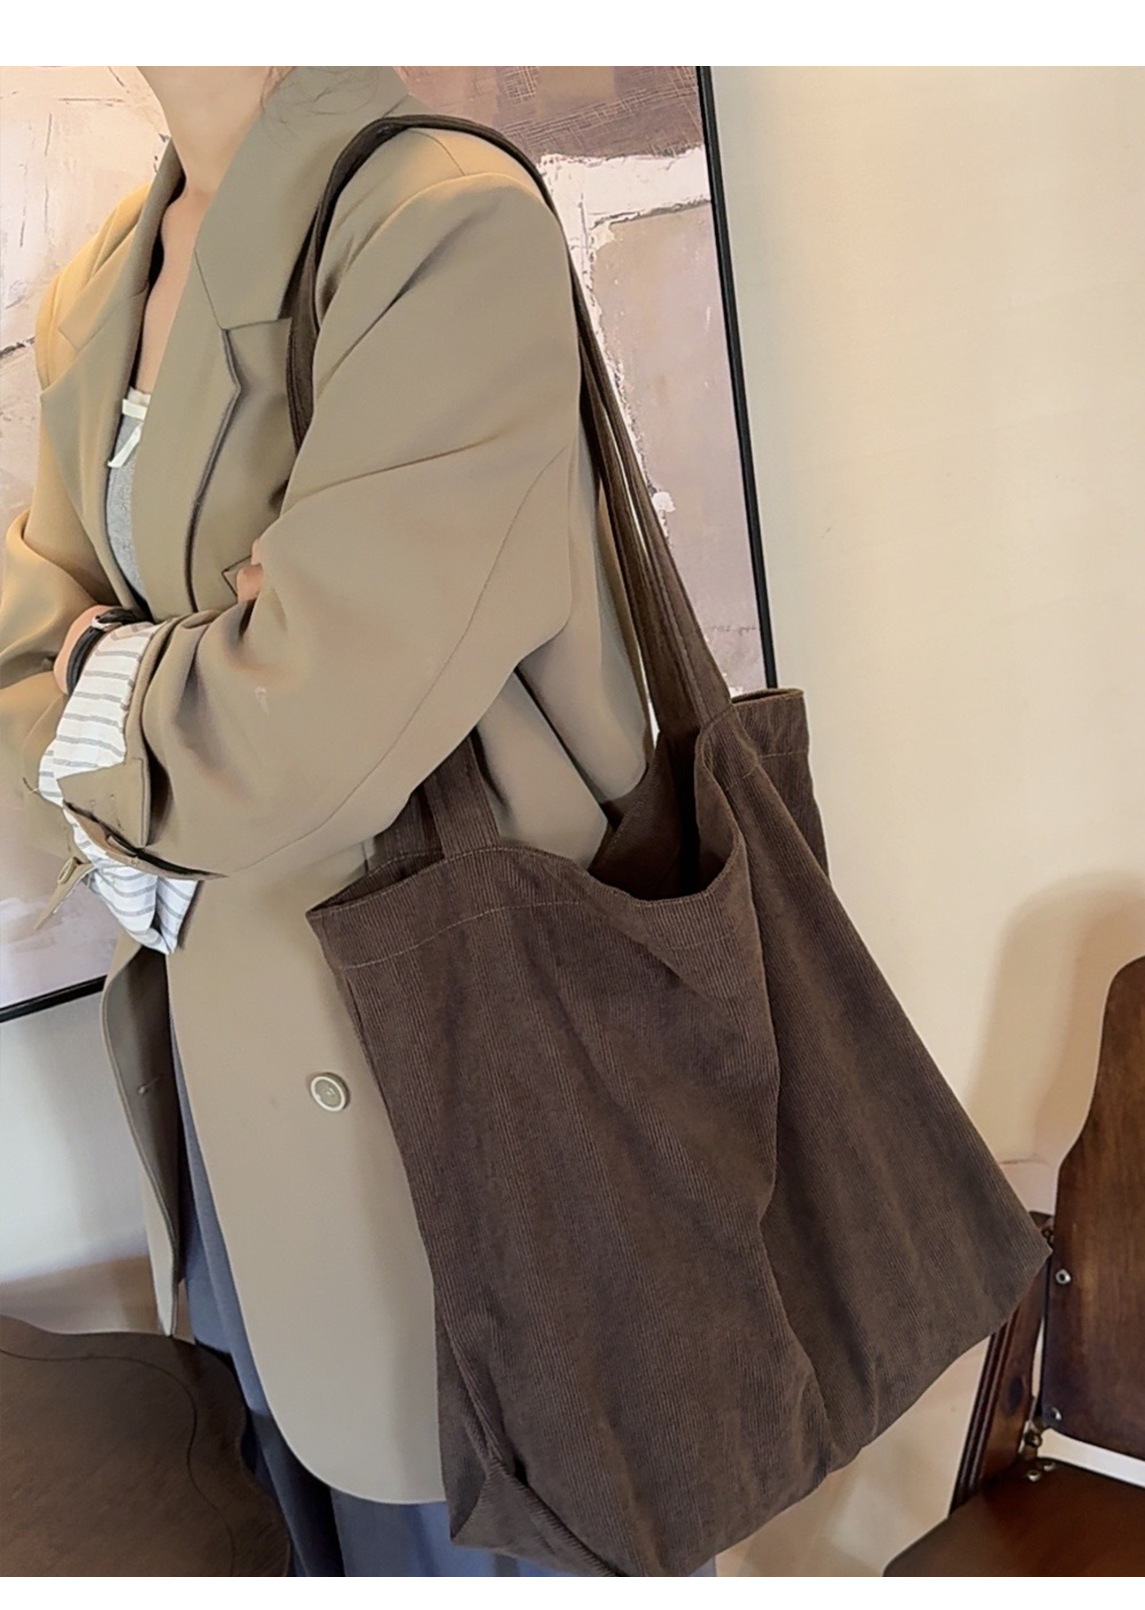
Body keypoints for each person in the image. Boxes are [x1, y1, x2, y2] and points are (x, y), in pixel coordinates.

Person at [0, 66, 719, 1576]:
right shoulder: (94, 294)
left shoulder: (439, 224)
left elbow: (304, 731)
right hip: (221, 1085)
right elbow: (27, 673)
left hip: (449, 1079)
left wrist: (103, 665)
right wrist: (176, 667)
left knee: (488, 1523)